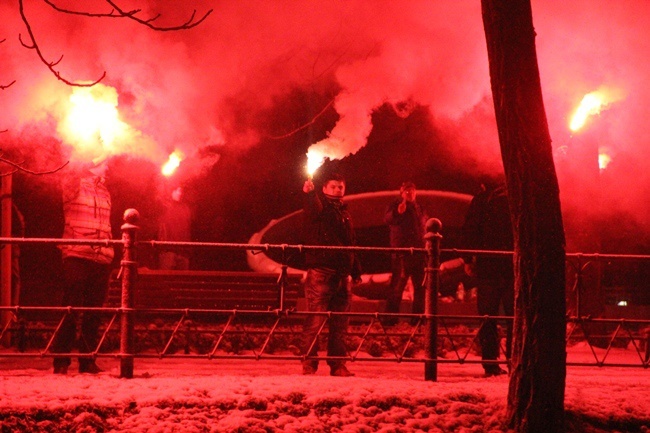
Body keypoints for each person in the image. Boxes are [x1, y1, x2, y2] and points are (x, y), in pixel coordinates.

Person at [51, 158, 114, 375]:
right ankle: (61, 360)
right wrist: (80, 150)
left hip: (101, 256)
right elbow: (69, 172)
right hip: (76, 253)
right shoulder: (74, 183)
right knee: (72, 307)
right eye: (104, 161)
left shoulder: (105, 191)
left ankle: (87, 361)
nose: (108, 165)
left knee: (94, 312)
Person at [300, 172, 362, 377]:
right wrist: (310, 194)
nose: (337, 190)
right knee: (316, 321)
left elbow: (350, 243)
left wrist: (356, 271)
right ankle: (310, 364)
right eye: (333, 186)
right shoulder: (320, 207)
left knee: (340, 324)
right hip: (322, 273)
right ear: (324, 189)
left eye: (341, 187)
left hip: (342, 275)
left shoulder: (344, 212)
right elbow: (314, 209)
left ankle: (337, 365)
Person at [461, 177, 514, 377]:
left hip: (488, 266)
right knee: (514, 319)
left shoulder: (482, 199)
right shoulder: (516, 198)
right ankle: (514, 361)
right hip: (511, 266)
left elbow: (469, 230)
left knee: (487, 318)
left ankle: (490, 364)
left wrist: (468, 259)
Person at [383, 181, 427, 323]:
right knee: (397, 287)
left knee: (420, 288)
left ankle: (418, 320)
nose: (410, 193)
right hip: (402, 255)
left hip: (419, 254)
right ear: (401, 193)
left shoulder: (419, 208)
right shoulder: (396, 206)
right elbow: (388, 218)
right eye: (407, 191)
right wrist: (397, 212)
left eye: (412, 191)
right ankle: (390, 320)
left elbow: (424, 227)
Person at [158, 185, 192, 270]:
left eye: (180, 191)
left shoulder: (186, 208)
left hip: (183, 251)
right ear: (171, 192)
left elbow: (188, 228)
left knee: (182, 280)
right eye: (176, 190)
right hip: (168, 250)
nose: (179, 193)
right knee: (166, 278)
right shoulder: (164, 206)